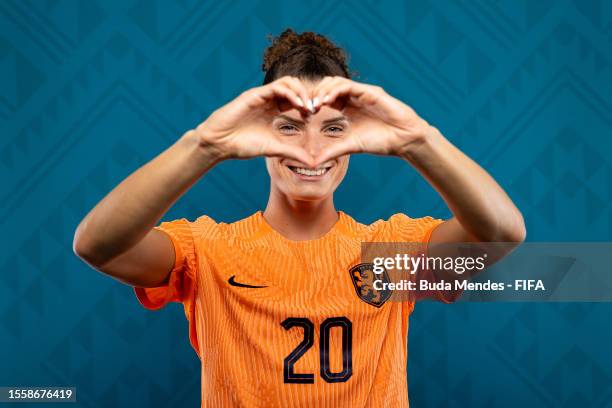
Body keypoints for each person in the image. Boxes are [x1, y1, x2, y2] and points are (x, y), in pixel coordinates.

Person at [73, 28, 525, 407]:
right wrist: (205, 144)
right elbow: (97, 244)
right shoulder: (207, 250)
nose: (312, 151)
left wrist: (417, 140)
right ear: (259, 136)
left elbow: (502, 233)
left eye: (333, 130)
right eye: (289, 127)